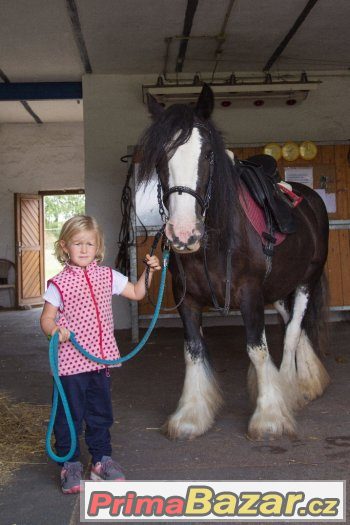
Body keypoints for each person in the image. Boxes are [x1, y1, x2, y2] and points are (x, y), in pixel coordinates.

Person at [40, 215, 161, 494]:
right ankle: (69, 463)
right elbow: (46, 319)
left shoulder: (107, 276)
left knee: (100, 412)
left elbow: (136, 292)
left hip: (100, 361)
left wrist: (150, 272)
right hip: (70, 364)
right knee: (69, 414)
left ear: (98, 247)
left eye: (89, 244)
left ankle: (100, 460)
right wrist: (55, 330)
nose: (84, 249)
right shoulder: (58, 284)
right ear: (64, 247)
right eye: (77, 243)